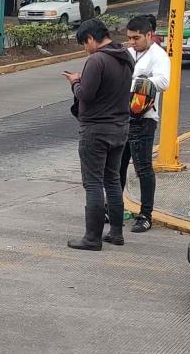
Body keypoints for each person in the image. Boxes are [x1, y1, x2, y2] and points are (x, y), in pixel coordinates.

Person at [63, 18, 136, 251]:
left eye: (85, 43)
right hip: (120, 127)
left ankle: (92, 238)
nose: (86, 48)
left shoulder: (97, 60)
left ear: (91, 38)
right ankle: (116, 233)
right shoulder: (126, 56)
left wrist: (75, 82)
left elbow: (86, 94)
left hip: (96, 129)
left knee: (93, 183)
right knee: (113, 180)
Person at [120, 14, 171, 233]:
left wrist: (136, 81)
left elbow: (163, 82)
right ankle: (114, 207)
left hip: (143, 120)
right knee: (117, 167)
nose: (132, 42)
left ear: (150, 35)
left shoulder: (158, 56)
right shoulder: (129, 53)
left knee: (143, 169)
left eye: (136, 38)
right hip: (122, 118)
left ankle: (146, 214)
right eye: (129, 38)